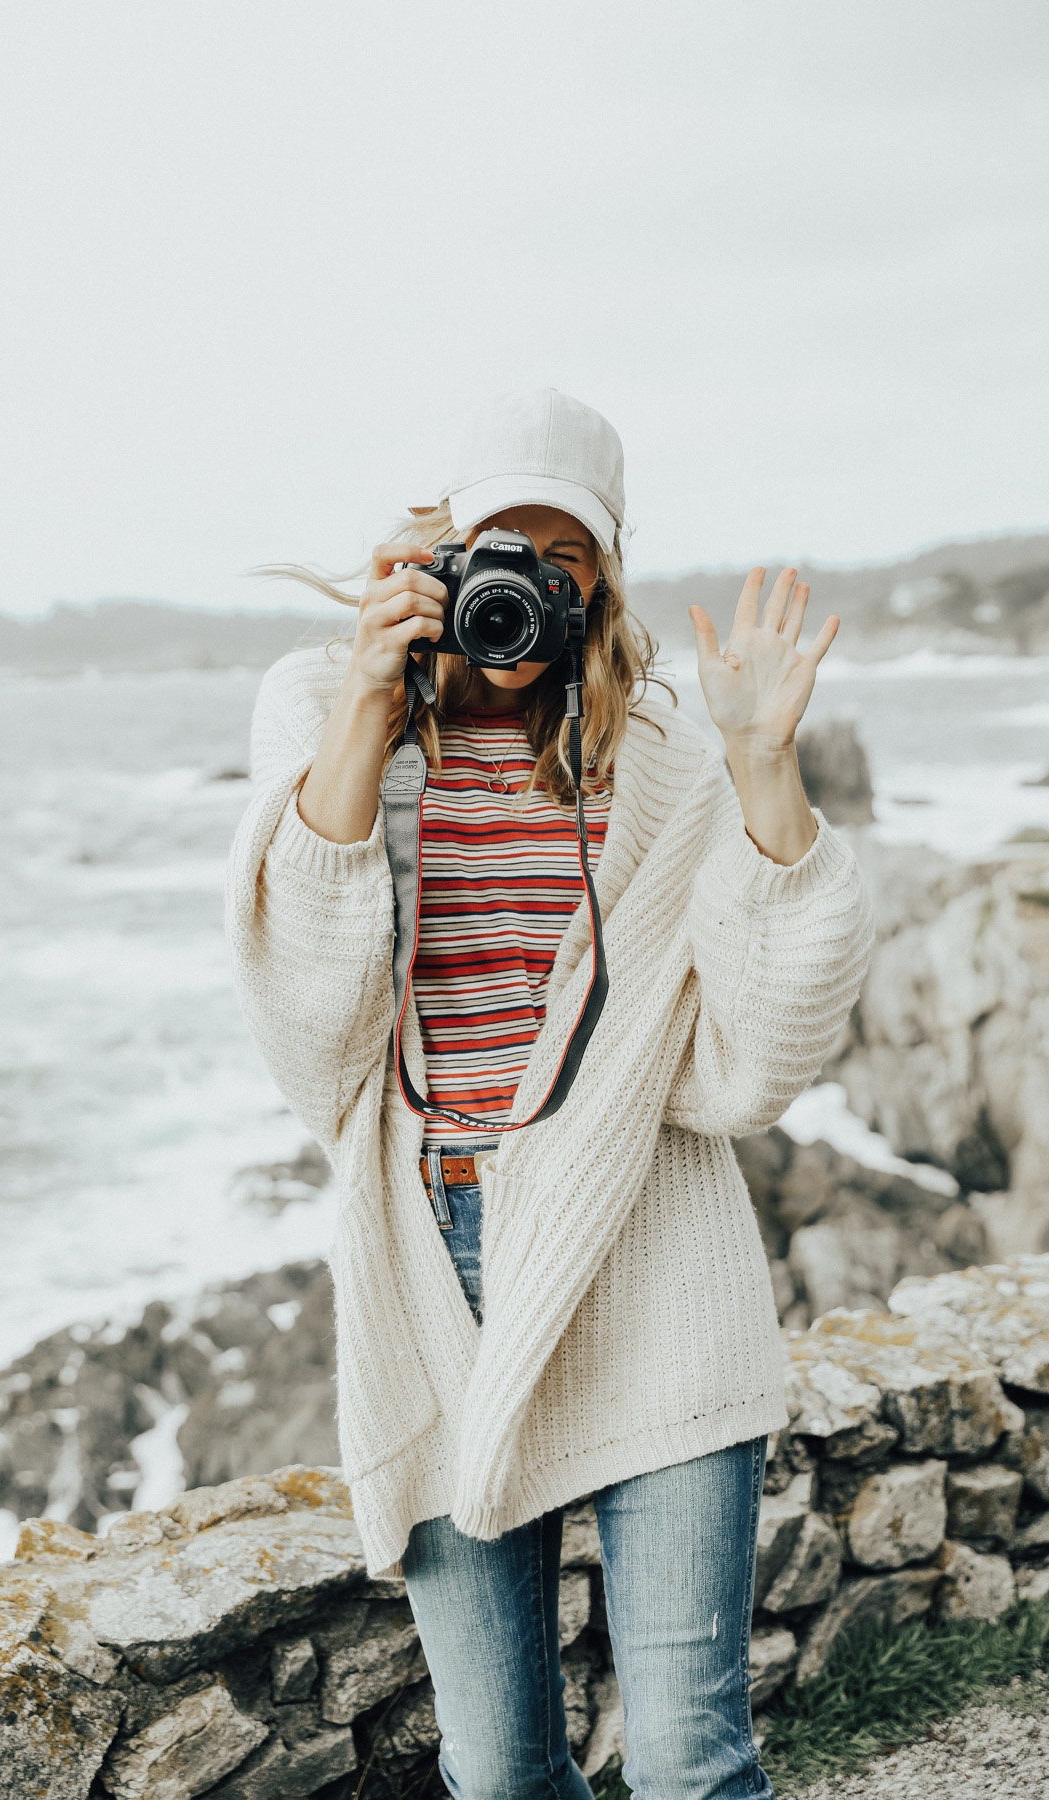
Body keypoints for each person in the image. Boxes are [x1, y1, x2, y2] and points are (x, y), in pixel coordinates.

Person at [226, 388, 873, 1800]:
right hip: (434, 1270)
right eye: (493, 551)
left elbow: (745, 1073)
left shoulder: (659, 758)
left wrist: (767, 774)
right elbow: (312, 1041)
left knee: (696, 1765)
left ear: (597, 583)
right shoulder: (330, 704)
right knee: (503, 1770)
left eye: (558, 560)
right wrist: (364, 716)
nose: (519, 588)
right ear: (441, 557)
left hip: (651, 1250)